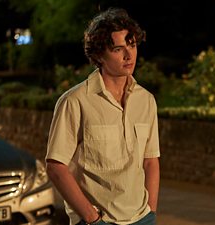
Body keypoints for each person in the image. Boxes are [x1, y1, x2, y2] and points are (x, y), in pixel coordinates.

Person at [46, 8, 160, 225]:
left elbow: (150, 160)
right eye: (118, 49)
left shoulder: (146, 100)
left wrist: (151, 212)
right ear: (99, 55)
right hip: (98, 221)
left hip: (142, 218)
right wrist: (91, 218)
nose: (129, 55)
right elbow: (56, 166)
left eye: (132, 45)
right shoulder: (75, 101)